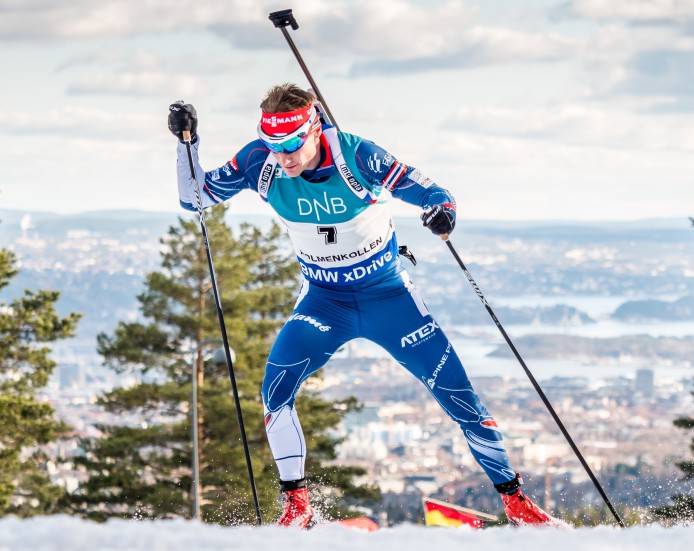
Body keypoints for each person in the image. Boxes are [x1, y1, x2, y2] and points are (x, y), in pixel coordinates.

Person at [167, 85, 559, 529]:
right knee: (275, 391)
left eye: (293, 144)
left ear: (315, 128)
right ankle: (297, 508)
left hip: (388, 298)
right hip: (324, 301)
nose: (284, 157)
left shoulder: (357, 156)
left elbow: (430, 191)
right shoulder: (260, 161)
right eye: (275, 145)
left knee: (459, 396)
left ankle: (517, 503)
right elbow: (194, 199)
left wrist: (441, 212)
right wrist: (187, 143)